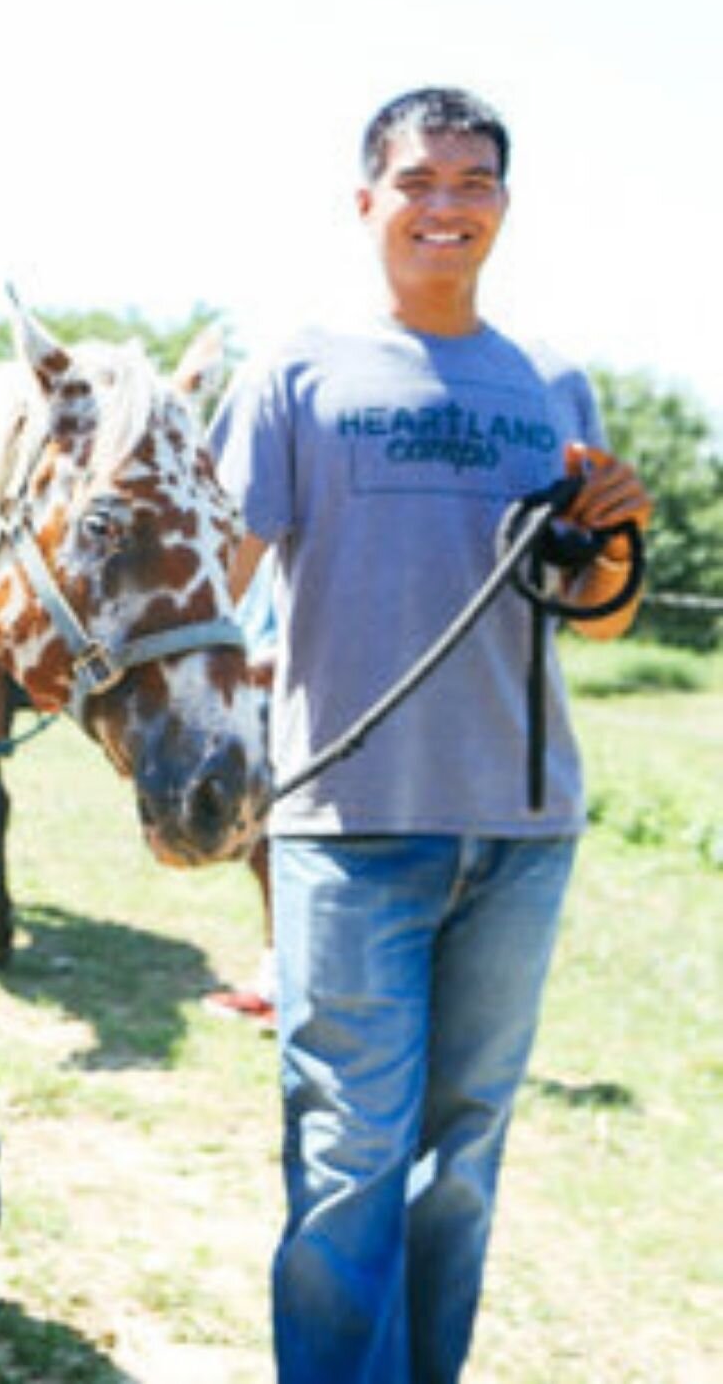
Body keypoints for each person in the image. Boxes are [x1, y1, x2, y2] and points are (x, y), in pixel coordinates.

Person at [208, 86, 653, 1383]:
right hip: (347, 829)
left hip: (522, 829)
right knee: (351, 1156)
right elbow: (220, 579)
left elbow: (601, 617)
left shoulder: (551, 383)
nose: (445, 204)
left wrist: (616, 529)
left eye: (473, 181)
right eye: (418, 180)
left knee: (461, 1159)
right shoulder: (291, 373)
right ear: (368, 201)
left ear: (502, 207)